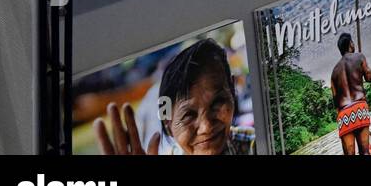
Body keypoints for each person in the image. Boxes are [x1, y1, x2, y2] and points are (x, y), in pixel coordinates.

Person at [94, 37, 253, 155]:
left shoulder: (255, 145)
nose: (206, 127)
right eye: (188, 115)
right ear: (168, 124)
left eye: (217, 103)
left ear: (232, 91)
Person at [331, 32, 371, 155]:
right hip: (359, 109)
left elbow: (335, 100)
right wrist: (369, 71)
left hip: (344, 114)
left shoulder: (334, 71)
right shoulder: (359, 57)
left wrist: (342, 119)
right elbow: (369, 77)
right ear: (350, 44)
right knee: (365, 152)